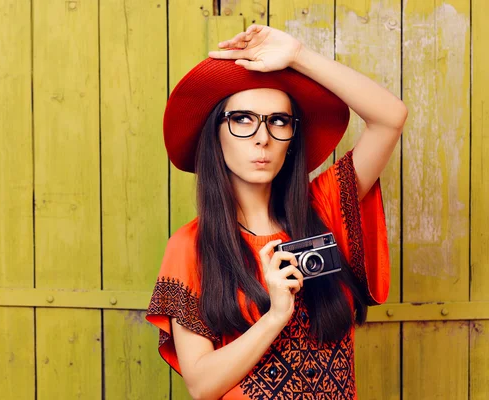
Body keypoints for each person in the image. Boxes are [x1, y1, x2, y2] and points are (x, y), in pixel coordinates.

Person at [146, 24, 407, 400]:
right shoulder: (191, 246)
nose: (262, 137)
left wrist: (299, 55)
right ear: (214, 133)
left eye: (278, 121)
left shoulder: (325, 207)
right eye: (242, 119)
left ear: (292, 136)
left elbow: (390, 118)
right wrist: (274, 317)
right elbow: (201, 386)